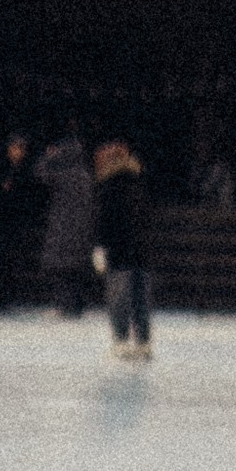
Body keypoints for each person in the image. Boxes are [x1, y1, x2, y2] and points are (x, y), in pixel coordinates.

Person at [92, 139, 152, 356]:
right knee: (140, 300)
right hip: (141, 251)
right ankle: (143, 341)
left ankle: (121, 339)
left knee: (119, 299)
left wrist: (99, 247)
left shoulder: (108, 187)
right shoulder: (138, 183)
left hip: (118, 251)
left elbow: (103, 221)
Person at [34, 126, 97, 320]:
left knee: (61, 269)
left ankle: (64, 305)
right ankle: (76, 305)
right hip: (82, 230)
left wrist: (48, 157)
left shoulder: (62, 176)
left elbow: (40, 174)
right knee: (76, 269)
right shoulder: (86, 175)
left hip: (63, 228)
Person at [0, 132, 41, 311]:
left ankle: (6, 297)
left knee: (10, 261)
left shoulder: (26, 169)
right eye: (16, 148)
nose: (19, 152)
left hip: (14, 221)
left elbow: (29, 195)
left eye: (21, 148)